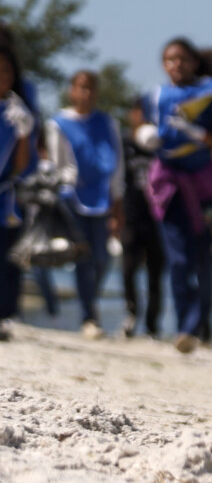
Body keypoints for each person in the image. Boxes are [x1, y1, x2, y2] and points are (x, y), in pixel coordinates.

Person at [134, 38, 212, 354]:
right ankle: (185, 327)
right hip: (168, 186)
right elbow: (138, 124)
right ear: (163, 64)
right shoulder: (153, 96)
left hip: (203, 187)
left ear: (194, 63)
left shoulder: (210, 95)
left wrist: (199, 134)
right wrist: (144, 135)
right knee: (177, 259)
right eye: (170, 59)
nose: (177, 65)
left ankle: (202, 323)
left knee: (203, 257)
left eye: (183, 59)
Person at [45, 71, 125, 339]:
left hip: (102, 198)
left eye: (91, 88)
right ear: (72, 90)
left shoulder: (108, 123)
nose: (86, 93)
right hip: (72, 199)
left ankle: (89, 302)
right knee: (82, 257)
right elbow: (57, 166)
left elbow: (118, 165)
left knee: (102, 258)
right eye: (81, 87)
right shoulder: (58, 123)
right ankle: (89, 316)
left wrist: (118, 204)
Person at [0, 41, 34, 341]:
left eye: (8, 70)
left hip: (5, 194)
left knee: (7, 257)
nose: (3, 75)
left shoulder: (17, 111)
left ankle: (6, 317)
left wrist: (24, 134)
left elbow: (21, 165)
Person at [119, 121, 163, 337]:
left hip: (157, 220)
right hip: (131, 219)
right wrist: (115, 215)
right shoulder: (124, 146)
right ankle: (131, 313)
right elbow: (115, 181)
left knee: (155, 274)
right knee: (128, 269)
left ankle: (152, 325)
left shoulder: (162, 149)